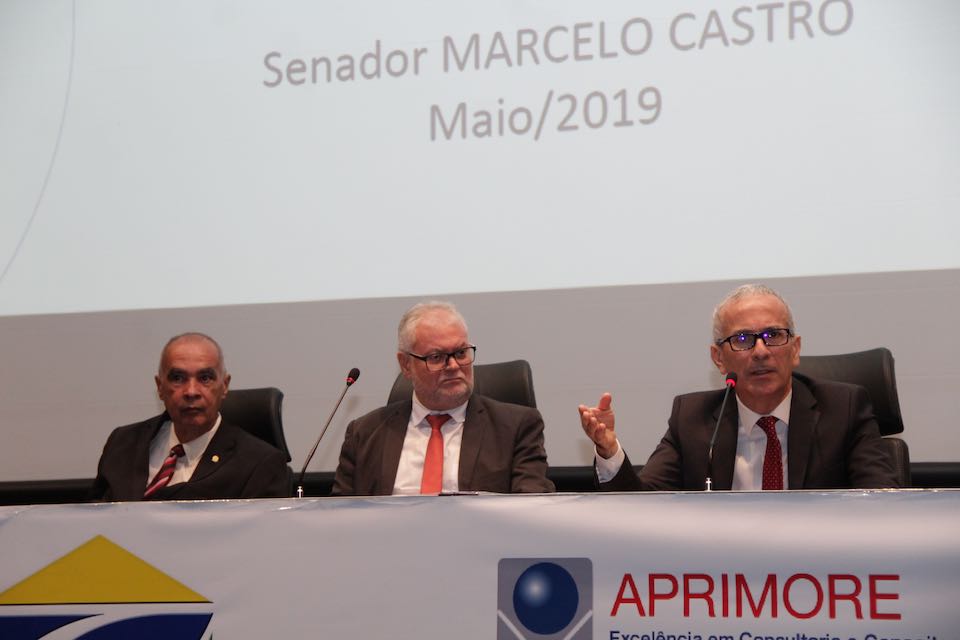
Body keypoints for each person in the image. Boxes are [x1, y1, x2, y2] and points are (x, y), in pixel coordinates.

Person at [579, 284, 898, 490]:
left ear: (795, 349)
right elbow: (641, 510)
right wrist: (609, 451)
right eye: (742, 339)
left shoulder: (844, 409)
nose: (761, 351)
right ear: (719, 359)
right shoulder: (692, 418)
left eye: (774, 335)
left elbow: (884, 504)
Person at [333, 301, 554, 495]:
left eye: (461, 353)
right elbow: (338, 516)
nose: (454, 366)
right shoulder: (364, 434)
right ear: (406, 365)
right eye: (436, 357)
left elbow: (531, 509)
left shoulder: (515, 428)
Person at [91, 332, 290, 500]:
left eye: (205, 378)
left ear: (224, 386)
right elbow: (94, 522)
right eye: (178, 378)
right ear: (160, 387)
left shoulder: (259, 464)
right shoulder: (123, 443)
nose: (191, 391)